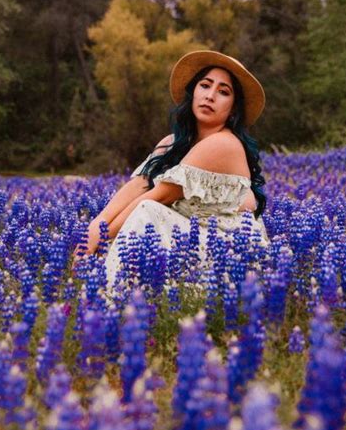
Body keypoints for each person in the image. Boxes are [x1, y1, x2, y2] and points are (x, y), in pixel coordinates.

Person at [76, 50, 269, 286]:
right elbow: (136, 186)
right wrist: (93, 231)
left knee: (146, 213)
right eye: (205, 85)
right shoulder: (171, 143)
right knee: (128, 222)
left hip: (229, 258)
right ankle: (117, 294)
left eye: (223, 92)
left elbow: (158, 197)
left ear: (233, 109)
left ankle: (111, 299)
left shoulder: (223, 144)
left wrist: (103, 242)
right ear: (193, 92)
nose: (210, 96)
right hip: (186, 243)